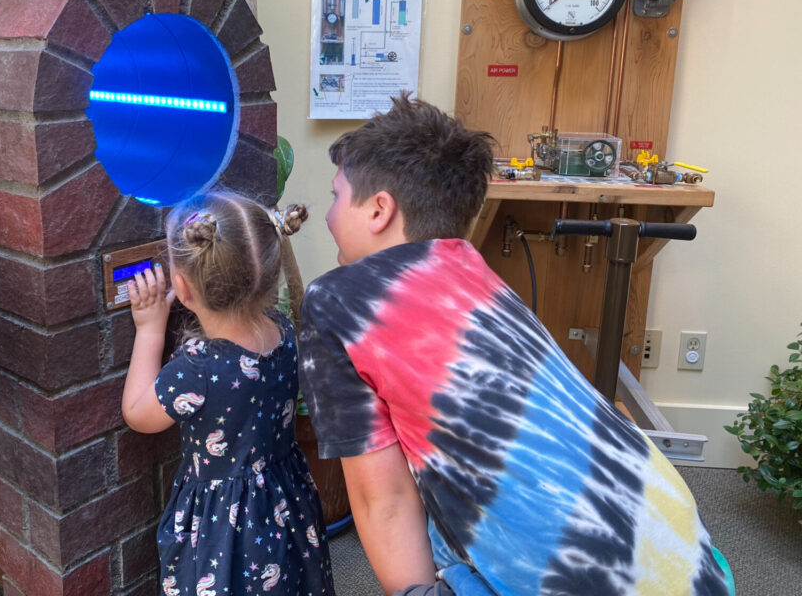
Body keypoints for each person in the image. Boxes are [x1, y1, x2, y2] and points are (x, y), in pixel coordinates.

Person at [298, 95, 731, 596]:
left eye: (335, 196)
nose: (327, 215)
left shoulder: (341, 300)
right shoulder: (476, 274)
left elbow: (383, 500)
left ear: (379, 210)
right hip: (690, 558)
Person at [121, 191, 337, 596]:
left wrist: (150, 328)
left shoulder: (199, 367)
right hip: (285, 499)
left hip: (227, 524)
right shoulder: (284, 330)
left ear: (181, 289)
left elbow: (137, 413)